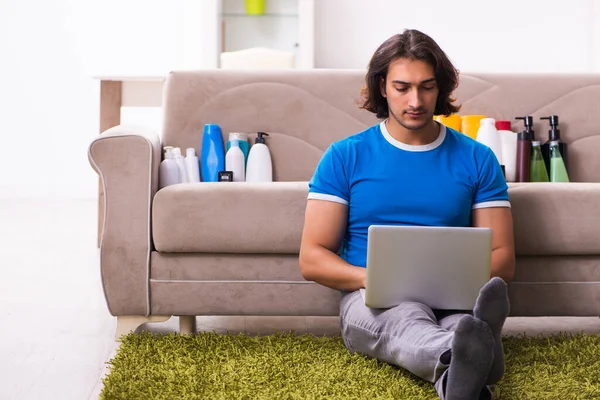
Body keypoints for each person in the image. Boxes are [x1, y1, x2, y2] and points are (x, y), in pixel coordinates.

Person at [299, 29, 515, 400]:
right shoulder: (345, 156)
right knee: (406, 319)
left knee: (461, 320)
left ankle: (462, 363)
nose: (415, 100)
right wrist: (377, 279)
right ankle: (476, 354)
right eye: (402, 87)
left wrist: (449, 282)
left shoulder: (476, 158)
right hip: (374, 298)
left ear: (440, 88)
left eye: (427, 87)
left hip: (455, 296)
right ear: (382, 87)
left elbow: (503, 258)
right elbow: (312, 257)